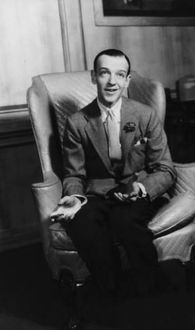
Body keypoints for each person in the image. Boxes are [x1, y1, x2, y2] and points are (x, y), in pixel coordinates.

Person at [51, 48, 176, 296]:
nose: (112, 82)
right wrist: (75, 198)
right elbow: (74, 174)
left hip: (137, 191)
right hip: (98, 194)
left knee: (124, 219)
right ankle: (112, 290)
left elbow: (165, 169)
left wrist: (141, 188)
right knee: (81, 221)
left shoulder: (145, 115)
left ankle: (149, 289)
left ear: (127, 80)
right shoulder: (77, 122)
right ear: (93, 76)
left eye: (119, 75)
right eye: (104, 73)